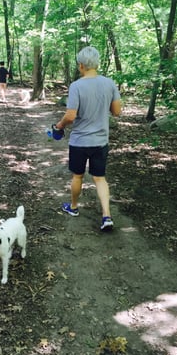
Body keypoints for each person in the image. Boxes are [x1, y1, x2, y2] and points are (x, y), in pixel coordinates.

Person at [55, 46, 121, 231]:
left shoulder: (76, 86)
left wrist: (59, 126)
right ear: (97, 64)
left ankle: (74, 207)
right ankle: (106, 216)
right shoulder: (110, 83)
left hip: (80, 141)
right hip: (101, 141)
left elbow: (70, 116)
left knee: (77, 175)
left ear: (81, 65)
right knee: (100, 178)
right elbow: (117, 112)